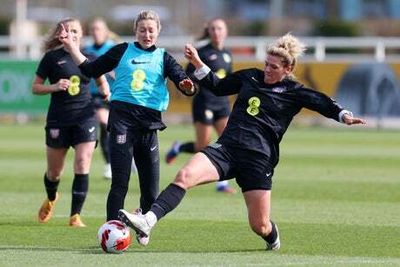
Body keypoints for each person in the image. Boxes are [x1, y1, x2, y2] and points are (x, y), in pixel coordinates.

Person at [118, 33, 367, 249]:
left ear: (288, 69)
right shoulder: (251, 77)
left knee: (259, 225)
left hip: (258, 160)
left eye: (274, 67)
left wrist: (343, 115)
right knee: (185, 176)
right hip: (226, 148)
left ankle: (272, 237)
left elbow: (322, 102)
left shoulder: (295, 92)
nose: (268, 70)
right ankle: (148, 222)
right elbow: (217, 86)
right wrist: (197, 62)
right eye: (266, 64)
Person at [59, 10, 195, 244]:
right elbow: (91, 69)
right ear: (136, 31)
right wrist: (72, 48)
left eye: (151, 30)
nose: (147, 34)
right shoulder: (122, 50)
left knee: (151, 191)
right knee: (120, 182)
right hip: (122, 121)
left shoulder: (164, 57)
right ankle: (111, 231)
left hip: (149, 125)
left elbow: (184, 82)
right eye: (142, 30)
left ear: (158, 32)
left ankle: (143, 224)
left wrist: (187, 85)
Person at [32, 18, 110, 227]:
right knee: (54, 172)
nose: (72, 34)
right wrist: (54, 86)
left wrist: (105, 91)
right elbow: (35, 87)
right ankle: (51, 197)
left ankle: (75, 216)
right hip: (58, 119)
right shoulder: (51, 58)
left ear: (81, 34)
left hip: (85, 118)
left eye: (76, 30)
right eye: (67, 31)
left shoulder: (90, 57)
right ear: (60, 35)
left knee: (83, 163)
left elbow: (101, 80)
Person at [165, 18, 236, 194]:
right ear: (209, 32)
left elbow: (228, 79)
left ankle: (222, 183)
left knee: (229, 143)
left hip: (222, 104)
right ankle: (179, 147)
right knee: (202, 146)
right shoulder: (202, 53)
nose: (216, 32)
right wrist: (192, 84)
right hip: (204, 102)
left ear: (225, 32)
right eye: (213, 29)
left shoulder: (227, 54)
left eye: (220, 28)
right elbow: (189, 75)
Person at [84, 18, 138, 179]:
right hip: (94, 96)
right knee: (104, 124)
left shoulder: (114, 49)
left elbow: (123, 72)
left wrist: (108, 71)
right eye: (93, 29)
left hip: (115, 95)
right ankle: (109, 165)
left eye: (99, 29)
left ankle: (128, 156)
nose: (96, 32)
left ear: (106, 31)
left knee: (116, 130)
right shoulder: (86, 50)